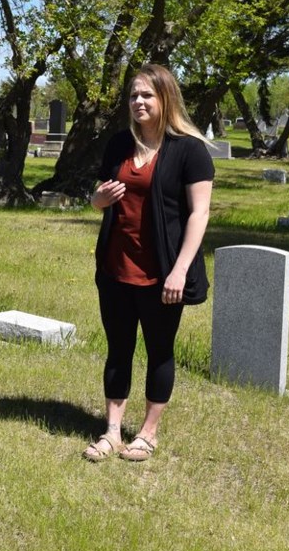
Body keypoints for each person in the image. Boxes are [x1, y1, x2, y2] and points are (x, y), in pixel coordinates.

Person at [82, 64, 214, 463]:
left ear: (165, 99)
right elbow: (99, 194)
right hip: (116, 269)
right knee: (117, 349)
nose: (138, 102)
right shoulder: (120, 144)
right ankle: (111, 432)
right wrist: (97, 201)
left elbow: (200, 214)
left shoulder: (189, 149)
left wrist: (180, 269)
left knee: (159, 351)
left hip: (162, 274)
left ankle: (148, 433)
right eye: (134, 95)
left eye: (146, 95)